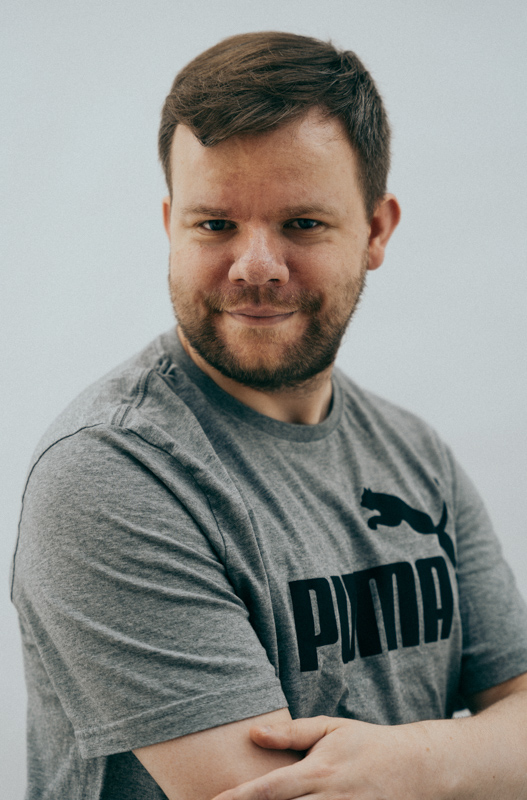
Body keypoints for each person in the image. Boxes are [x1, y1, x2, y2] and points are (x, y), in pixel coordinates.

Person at [11, 31, 527, 800]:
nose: (255, 267)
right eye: (215, 224)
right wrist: (474, 758)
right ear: (170, 224)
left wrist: (411, 763)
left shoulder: (414, 453)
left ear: (376, 230)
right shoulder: (111, 472)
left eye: (302, 224)